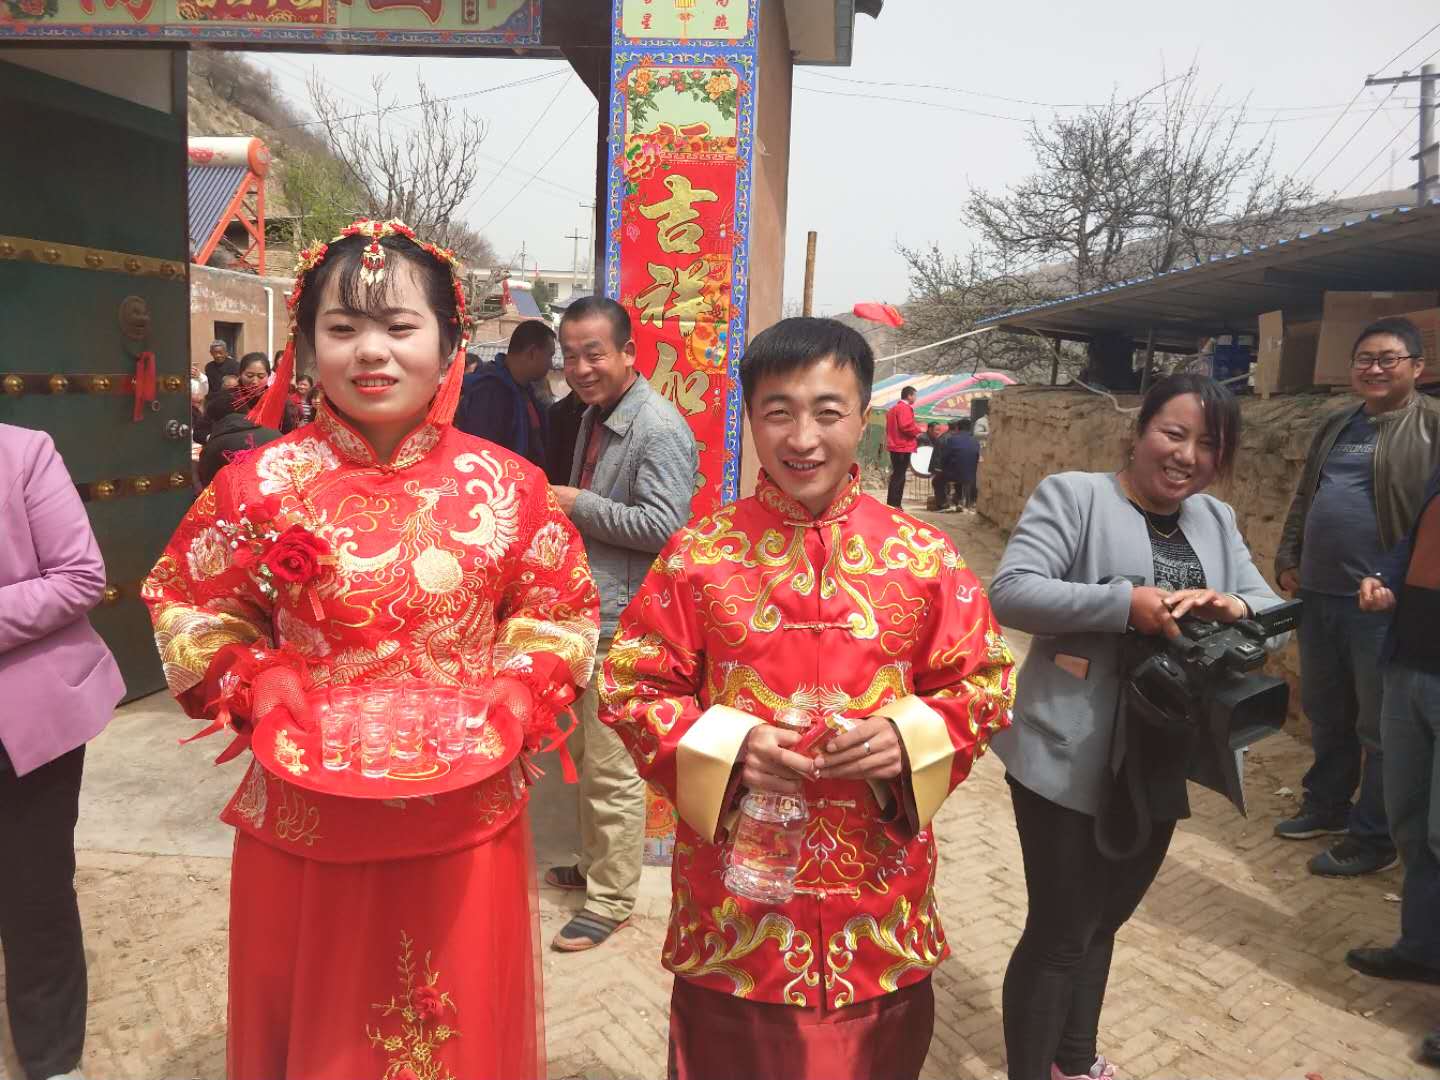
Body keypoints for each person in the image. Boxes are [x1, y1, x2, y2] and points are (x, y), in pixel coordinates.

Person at [142, 219, 599, 1079]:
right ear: (308, 344)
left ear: (450, 341)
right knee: (327, 1030)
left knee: (456, 1026)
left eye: (399, 326)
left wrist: (519, 687)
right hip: (308, 806)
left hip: (465, 805)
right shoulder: (257, 484)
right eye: (343, 328)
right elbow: (189, 603)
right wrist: (253, 676)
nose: (371, 351)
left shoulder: (511, 485)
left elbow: (558, 609)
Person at [599, 317, 1015, 1080]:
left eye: (828, 412)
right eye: (778, 412)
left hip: (878, 907)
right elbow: (631, 684)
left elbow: (984, 679)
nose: (803, 438)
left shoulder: (923, 557)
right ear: (750, 419)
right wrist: (731, 746)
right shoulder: (699, 556)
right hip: (736, 912)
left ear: (864, 416)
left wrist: (911, 736)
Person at [988, 374, 1287, 1080]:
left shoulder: (1215, 519)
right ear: (1139, 431)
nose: (1187, 456)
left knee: (1105, 920)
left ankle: (1074, 1061)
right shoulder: (1075, 496)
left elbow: (1272, 610)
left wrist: (1235, 607)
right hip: (1067, 752)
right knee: (1061, 932)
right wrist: (1126, 605)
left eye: (1208, 445)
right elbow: (1012, 592)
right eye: (1174, 434)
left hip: (1160, 753)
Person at [544, 295, 697, 952]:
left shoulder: (656, 428)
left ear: (629, 353)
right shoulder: (595, 414)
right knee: (585, 756)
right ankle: (592, 864)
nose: (580, 368)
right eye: (570, 355)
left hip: (624, 622)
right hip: (590, 611)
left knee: (610, 767)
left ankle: (610, 899)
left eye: (594, 354)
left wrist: (579, 504)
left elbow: (667, 529)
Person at [1273, 317, 1440, 877]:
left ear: (1418, 367)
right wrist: (1288, 555)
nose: (1374, 368)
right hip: (1318, 593)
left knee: (1381, 728)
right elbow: (1307, 494)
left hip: (1381, 604)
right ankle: (1326, 805)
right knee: (1327, 712)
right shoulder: (1339, 423)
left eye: (1388, 359)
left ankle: (1373, 838)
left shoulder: (1433, 426)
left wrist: (1400, 582)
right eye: (1364, 358)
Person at [0, 424, 125, 1080]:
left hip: (19, 718)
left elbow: (79, 577)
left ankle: (51, 1059)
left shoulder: (21, 453)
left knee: (33, 892)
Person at [1348, 467, 1440, 1068]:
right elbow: (1415, 543)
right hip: (1409, 666)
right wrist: (1383, 577)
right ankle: (1423, 948)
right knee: (1409, 824)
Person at [453, 319, 557, 467]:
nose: (551, 364)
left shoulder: (526, 391)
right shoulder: (490, 392)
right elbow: (483, 456)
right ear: (532, 352)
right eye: (550, 355)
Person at [195, 383, 282, 490]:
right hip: (280, 495)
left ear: (214, 420)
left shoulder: (214, 446)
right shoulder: (275, 434)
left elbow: (208, 485)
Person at [885, 385, 921, 508]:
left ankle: (892, 504)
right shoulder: (904, 408)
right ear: (909, 396)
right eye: (915, 395)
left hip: (895, 445)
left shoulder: (893, 409)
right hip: (902, 446)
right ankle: (895, 504)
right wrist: (918, 431)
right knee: (899, 476)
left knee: (897, 475)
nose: (915, 398)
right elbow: (906, 426)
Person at [939, 417, 982, 512]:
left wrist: (942, 468)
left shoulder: (952, 439)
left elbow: (945, 456)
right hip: (971, 475)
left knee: (937, 480)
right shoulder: (975, 441)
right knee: (962, 476)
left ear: (958, 428)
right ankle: (966, 502)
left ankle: (943, 503)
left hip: (955, 474)